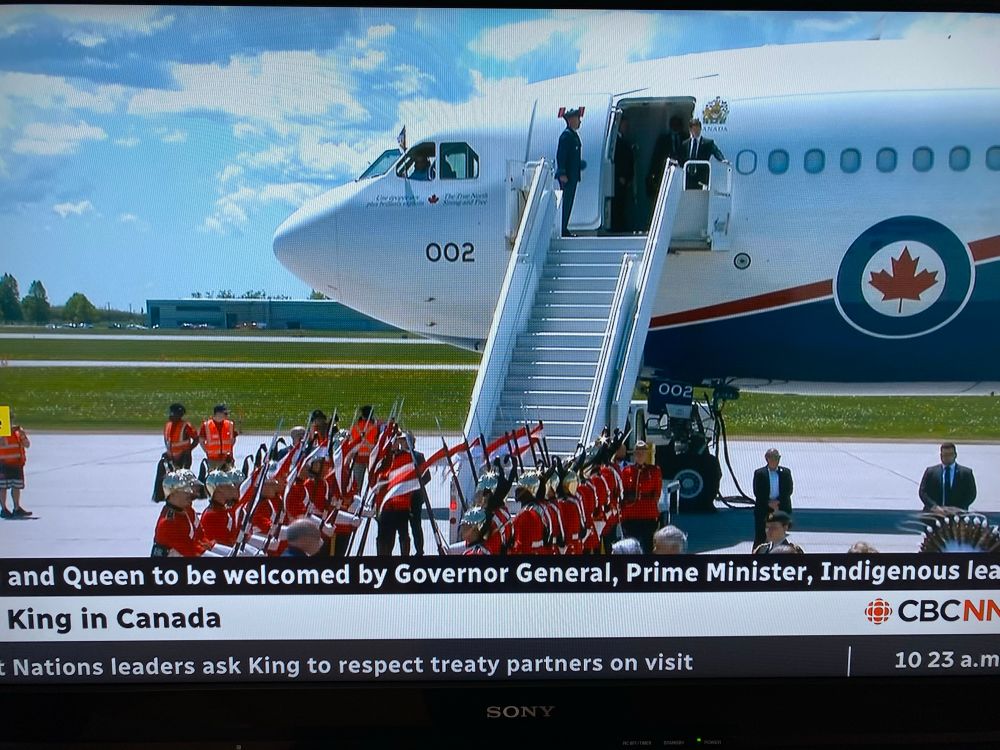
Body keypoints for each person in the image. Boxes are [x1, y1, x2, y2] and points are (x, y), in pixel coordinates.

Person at [151, 469, 208, 557]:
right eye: (187, 491)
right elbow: (192, 552)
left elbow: (201, 539)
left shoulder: (188, 511)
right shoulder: (168, 523)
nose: (192, 494)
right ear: (173, 493)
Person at [619, 441, 663, 554]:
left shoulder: (654, 471)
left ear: (646, 454)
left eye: (643, 452)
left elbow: (657, 492)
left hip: (647, 514)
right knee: (630, 546)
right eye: (638, 452)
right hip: (631, 514)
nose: (640, 455)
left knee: (648, 546)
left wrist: (651, 505)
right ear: (634, 455)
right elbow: (621, 491)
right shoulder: (626, 471)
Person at [375, 433, 414, 556]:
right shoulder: (383, 460)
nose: (398, 444)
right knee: (385, 537)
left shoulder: (407, 457)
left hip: (401, 504)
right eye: (396, 441)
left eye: (399, 441)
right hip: (386, 505)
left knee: (403, 535)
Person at [153, 402, 199, 502]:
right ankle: (163, 495)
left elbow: (196, 439)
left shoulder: (186, 426)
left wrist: (189, 450)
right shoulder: (167, 425)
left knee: (182, 480)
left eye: (173, 414)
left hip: (183, 457)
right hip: (170, 457)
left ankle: (185, 497)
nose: (170, 415)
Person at [752, 448, 793, 548]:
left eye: (778, 457)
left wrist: (778, 503)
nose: (776, 460)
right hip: (764, 508)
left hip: (781, 507)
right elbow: (757, 492)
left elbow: (789, 490)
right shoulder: (760, 473)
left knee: (780, 535)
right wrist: (768, 503)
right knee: (761, 536)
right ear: (767, 459)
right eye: (774, 457)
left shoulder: (786, 472)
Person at [918, 442, 977, 511]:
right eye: (945, 455)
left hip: (958, 514)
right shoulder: (930, 472)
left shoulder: (966, 473)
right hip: (934, 514)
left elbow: (971, 494)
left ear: (955, 455)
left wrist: (959, 508)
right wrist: (934, 506)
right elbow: (923, 492)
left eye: (950, 455)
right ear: (941, 456)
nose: (948, 457)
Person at [555, 107, 586, 237]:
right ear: (571, 120)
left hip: (572, 176)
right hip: (567, 177)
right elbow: (561, 155)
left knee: (569, 202)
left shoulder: (573, 136)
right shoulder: (566, 136)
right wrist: (562, 172)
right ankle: (562, 228)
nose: (579, 122)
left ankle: (564, 226)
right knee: (566, 203)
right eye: (578, 119)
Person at [646, 114, 686, 205]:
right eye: (674, 124)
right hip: (665, 175)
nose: (676, 127)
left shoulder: (686, 139)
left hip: (682, 175)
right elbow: (656, 159)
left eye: (678, 124)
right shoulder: (663, 140)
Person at [680, 117, 727, 190]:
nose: (696, 131)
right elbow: (682, 157)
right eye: (694, 129)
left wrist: (722, 159)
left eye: (698, 129)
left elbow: (716, 151)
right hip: (688, 178)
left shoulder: (708, 143)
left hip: (701, 178)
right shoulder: (685, 144)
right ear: (690, 130)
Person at [0, 415, 31, 519]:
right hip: (3, 463)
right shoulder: (1, 432)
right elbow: (2, 444)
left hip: (17, 463)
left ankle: (16, 508)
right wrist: (3, 434)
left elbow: (27, 444)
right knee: (3, 487)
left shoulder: (18, 431)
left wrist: (22, 436)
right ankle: (4, 509)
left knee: (16, 486)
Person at [405, 431, 431, 556]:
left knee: (415, 525)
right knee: (404, 528)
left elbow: (427, 476)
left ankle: (419, 550)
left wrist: (415, 485)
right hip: (403, 498)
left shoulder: (419, 457)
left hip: (415, 497)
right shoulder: (399, 456)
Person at [611, 116, 636, 232]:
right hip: (617, 180)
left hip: (624, 180)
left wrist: (629, 177)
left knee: (622, 204)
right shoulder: (615, 142)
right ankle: (617, 225)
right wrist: (620, 176)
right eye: (625, 125)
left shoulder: (624, 141)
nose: (626, 128)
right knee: (617, 204)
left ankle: (620, 224)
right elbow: (616, 161)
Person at [199, 404, 238, 472]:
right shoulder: (207, 425)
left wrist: (228, 449)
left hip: (227, 459)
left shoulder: (230, 424)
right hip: (213, 460)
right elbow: (201, 441)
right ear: (217, 413)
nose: (226, 415)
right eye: (225, 413)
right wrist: (207, 451)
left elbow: (233, 439)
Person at [350, 406, 378, 490]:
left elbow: (351, 444)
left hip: (357, 458)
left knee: (357, 485)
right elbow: (376, 445)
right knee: (374, 483)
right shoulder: (374, 428)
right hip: (370, 459)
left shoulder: (355, 427)